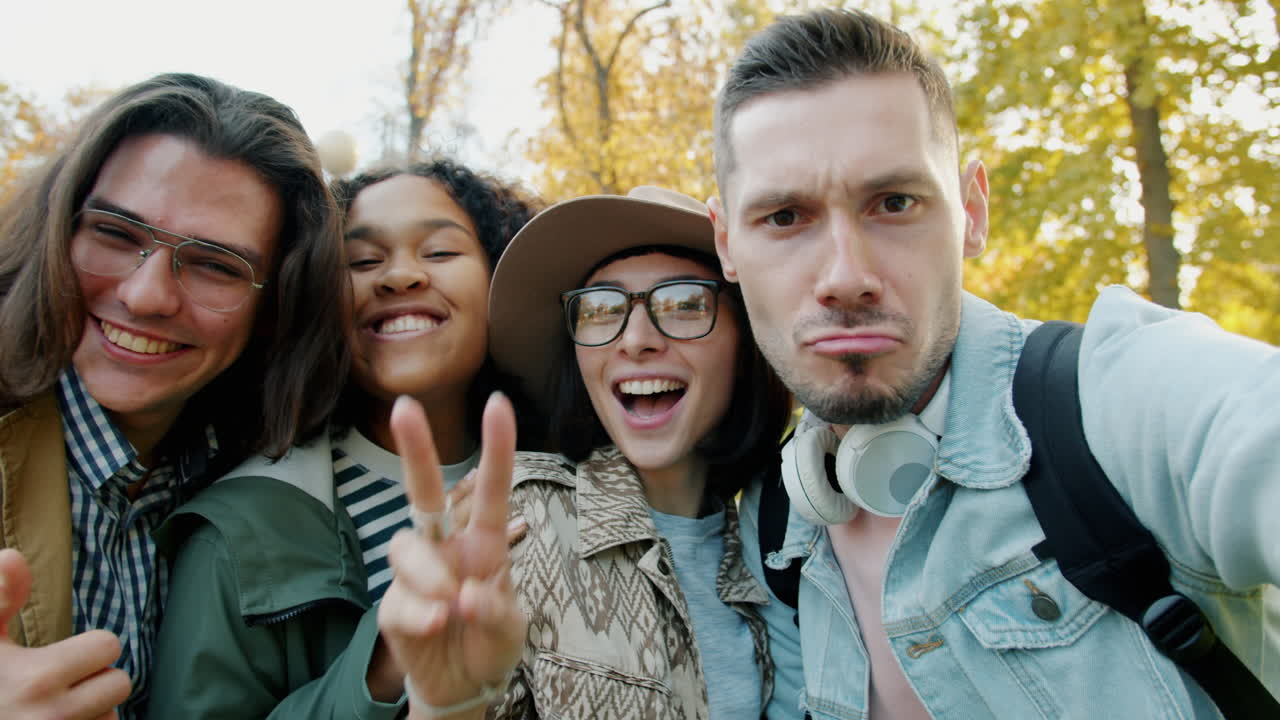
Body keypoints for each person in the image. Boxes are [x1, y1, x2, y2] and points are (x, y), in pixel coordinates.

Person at [705, 8, 1280, 719]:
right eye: (785, 218)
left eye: (893, 202)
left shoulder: (1120, 400)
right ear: (727, 243)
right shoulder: (778, 517)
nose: (845, 276)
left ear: (972, 212)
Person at [0, 73, 349, 719]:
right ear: (61, 228)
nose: (146, 295)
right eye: (114, 233)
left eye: (217, 265)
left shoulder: (260, 484)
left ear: (276, 306)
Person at [377, 185, 793, 719]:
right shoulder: (518, 519)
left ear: (746, 339)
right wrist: (446, 707)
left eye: (685, 302)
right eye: (599, 309)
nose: (635, 338)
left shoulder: (780, 544)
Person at [146, 159, 540, 718]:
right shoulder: (235, 534)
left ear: (503, 279)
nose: (399, 277)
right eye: (361, 261)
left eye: (439, 253)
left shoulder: (583, 478)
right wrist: (387, 664)